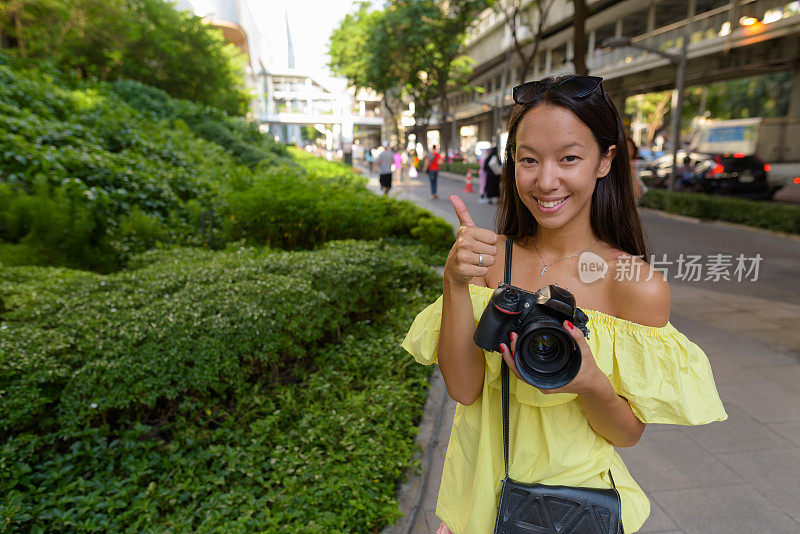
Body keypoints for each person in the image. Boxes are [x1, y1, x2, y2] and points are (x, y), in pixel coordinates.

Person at [402, 75, 726, 533]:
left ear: (604, 160)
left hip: (573, 511)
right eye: (529, 160)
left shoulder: (635, 284)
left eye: (569, 158)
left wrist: (591, 381)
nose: (546, 181)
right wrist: (455, 282)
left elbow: (628, 434)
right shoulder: (491, 261)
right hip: (478, 504)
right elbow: (463, 389)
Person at [626, 137, 648, 203]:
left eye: (631, 148)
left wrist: (632, 171)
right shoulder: (609, 168)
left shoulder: (633, 169)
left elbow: (638, 195)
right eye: (625, 148)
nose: (628, 151)